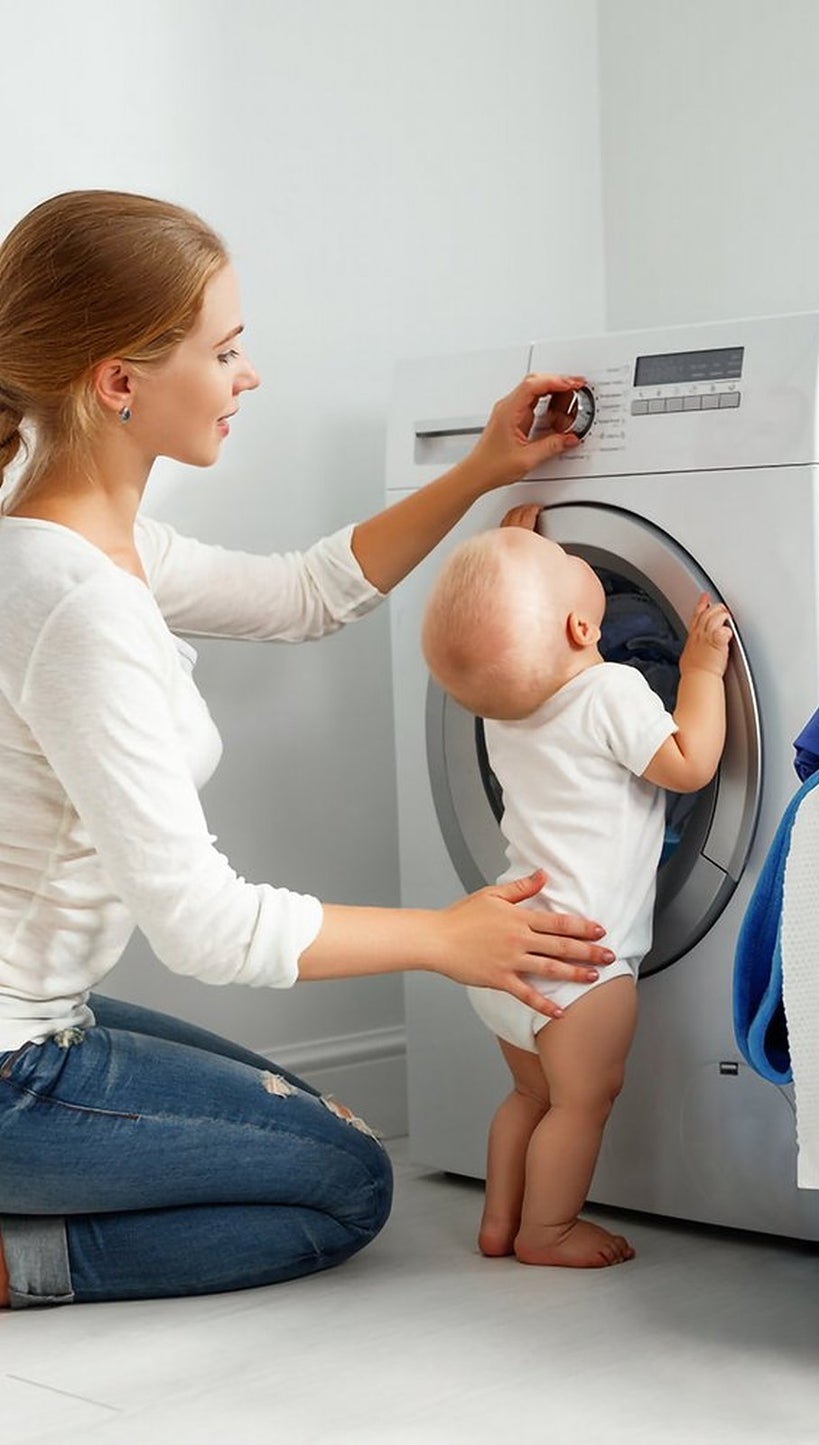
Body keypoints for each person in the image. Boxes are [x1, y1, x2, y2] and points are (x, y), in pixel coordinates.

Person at [0, 189, 617, 1309]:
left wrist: (484, 467)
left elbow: (305, 593)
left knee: (306, 1120)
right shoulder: (76, 602)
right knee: (343, 1182)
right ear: (119, 381)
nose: (251, 376)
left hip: (37, 1017)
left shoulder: (77, 538)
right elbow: (203, 923)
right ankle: (17, 1257)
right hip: (13, 1067)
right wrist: (445, 937)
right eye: (225, 350)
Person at [421, 518, 731, 1267]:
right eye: (564, 558)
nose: (570, 552)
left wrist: (510, 558)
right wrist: (697, 672)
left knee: (528, 1098)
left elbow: (503, 643)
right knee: (582, 1102)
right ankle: (547, 1229)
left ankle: (498, 1221)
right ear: (583, 625)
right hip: (582, 963)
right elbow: (687, 764)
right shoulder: (612, 689)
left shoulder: (503, 709)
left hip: (510, 945)